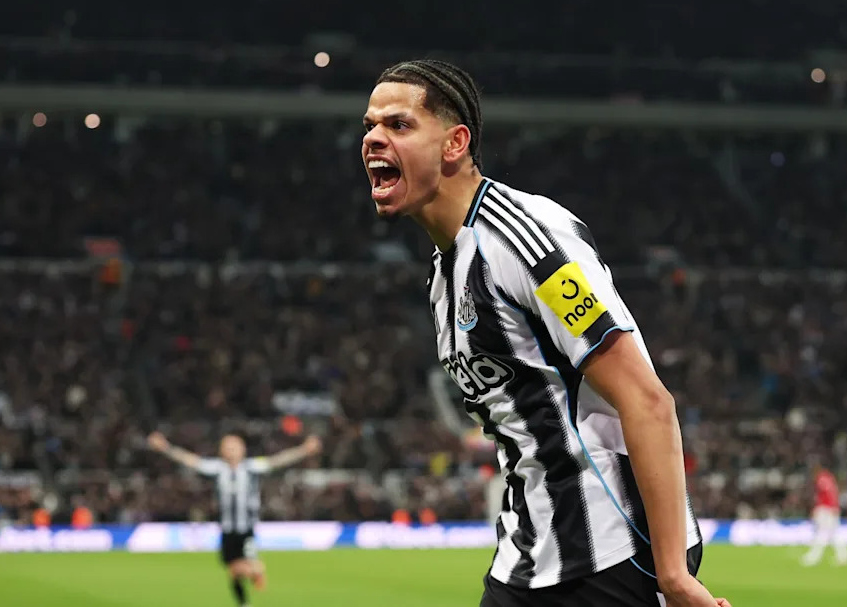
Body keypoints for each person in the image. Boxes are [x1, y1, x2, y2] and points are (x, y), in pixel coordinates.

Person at [359, 59, 731, 607]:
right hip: (528, 557)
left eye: (399, 124)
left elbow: (648, 400)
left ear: (455, 143)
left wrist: (672, 574)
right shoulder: (445, 271)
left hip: (610, 558)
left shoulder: (526, 242)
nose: (373, 138)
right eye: (369, 125)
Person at [147, 431, 322, 607]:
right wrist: (166, 448)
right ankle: (244, 602)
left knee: (249, 564)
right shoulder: (217, 468)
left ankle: (255, 572)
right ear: (221, 451)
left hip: (246, 528)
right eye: (227, 447)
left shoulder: (252, 467)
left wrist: (304, 450)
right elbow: (191, 461)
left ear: (242, 449)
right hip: (226, 529)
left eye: (234, 447)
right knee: (233, 572)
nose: (230, 450)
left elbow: (277, 461)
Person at [801, 467, 847, 566]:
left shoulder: (822, 478)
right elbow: (833, 493)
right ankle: (844, 556)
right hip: (831, 509)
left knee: (822, 533)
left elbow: (828, 494)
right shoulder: (830, 477)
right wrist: (835, 507)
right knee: (833, 534)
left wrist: (823, 508)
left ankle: (813, 557)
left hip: (826, 510)